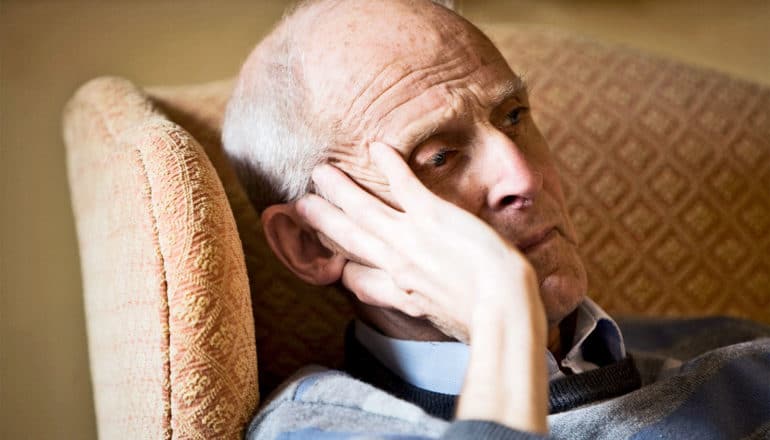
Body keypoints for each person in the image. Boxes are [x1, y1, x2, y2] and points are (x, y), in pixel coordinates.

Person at [222, 1, 770, 438]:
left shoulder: (732, 346)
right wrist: (501, 318)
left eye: (512, 117)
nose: (523, 179)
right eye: (438, 156)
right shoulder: (317, 426)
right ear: (314, 244)